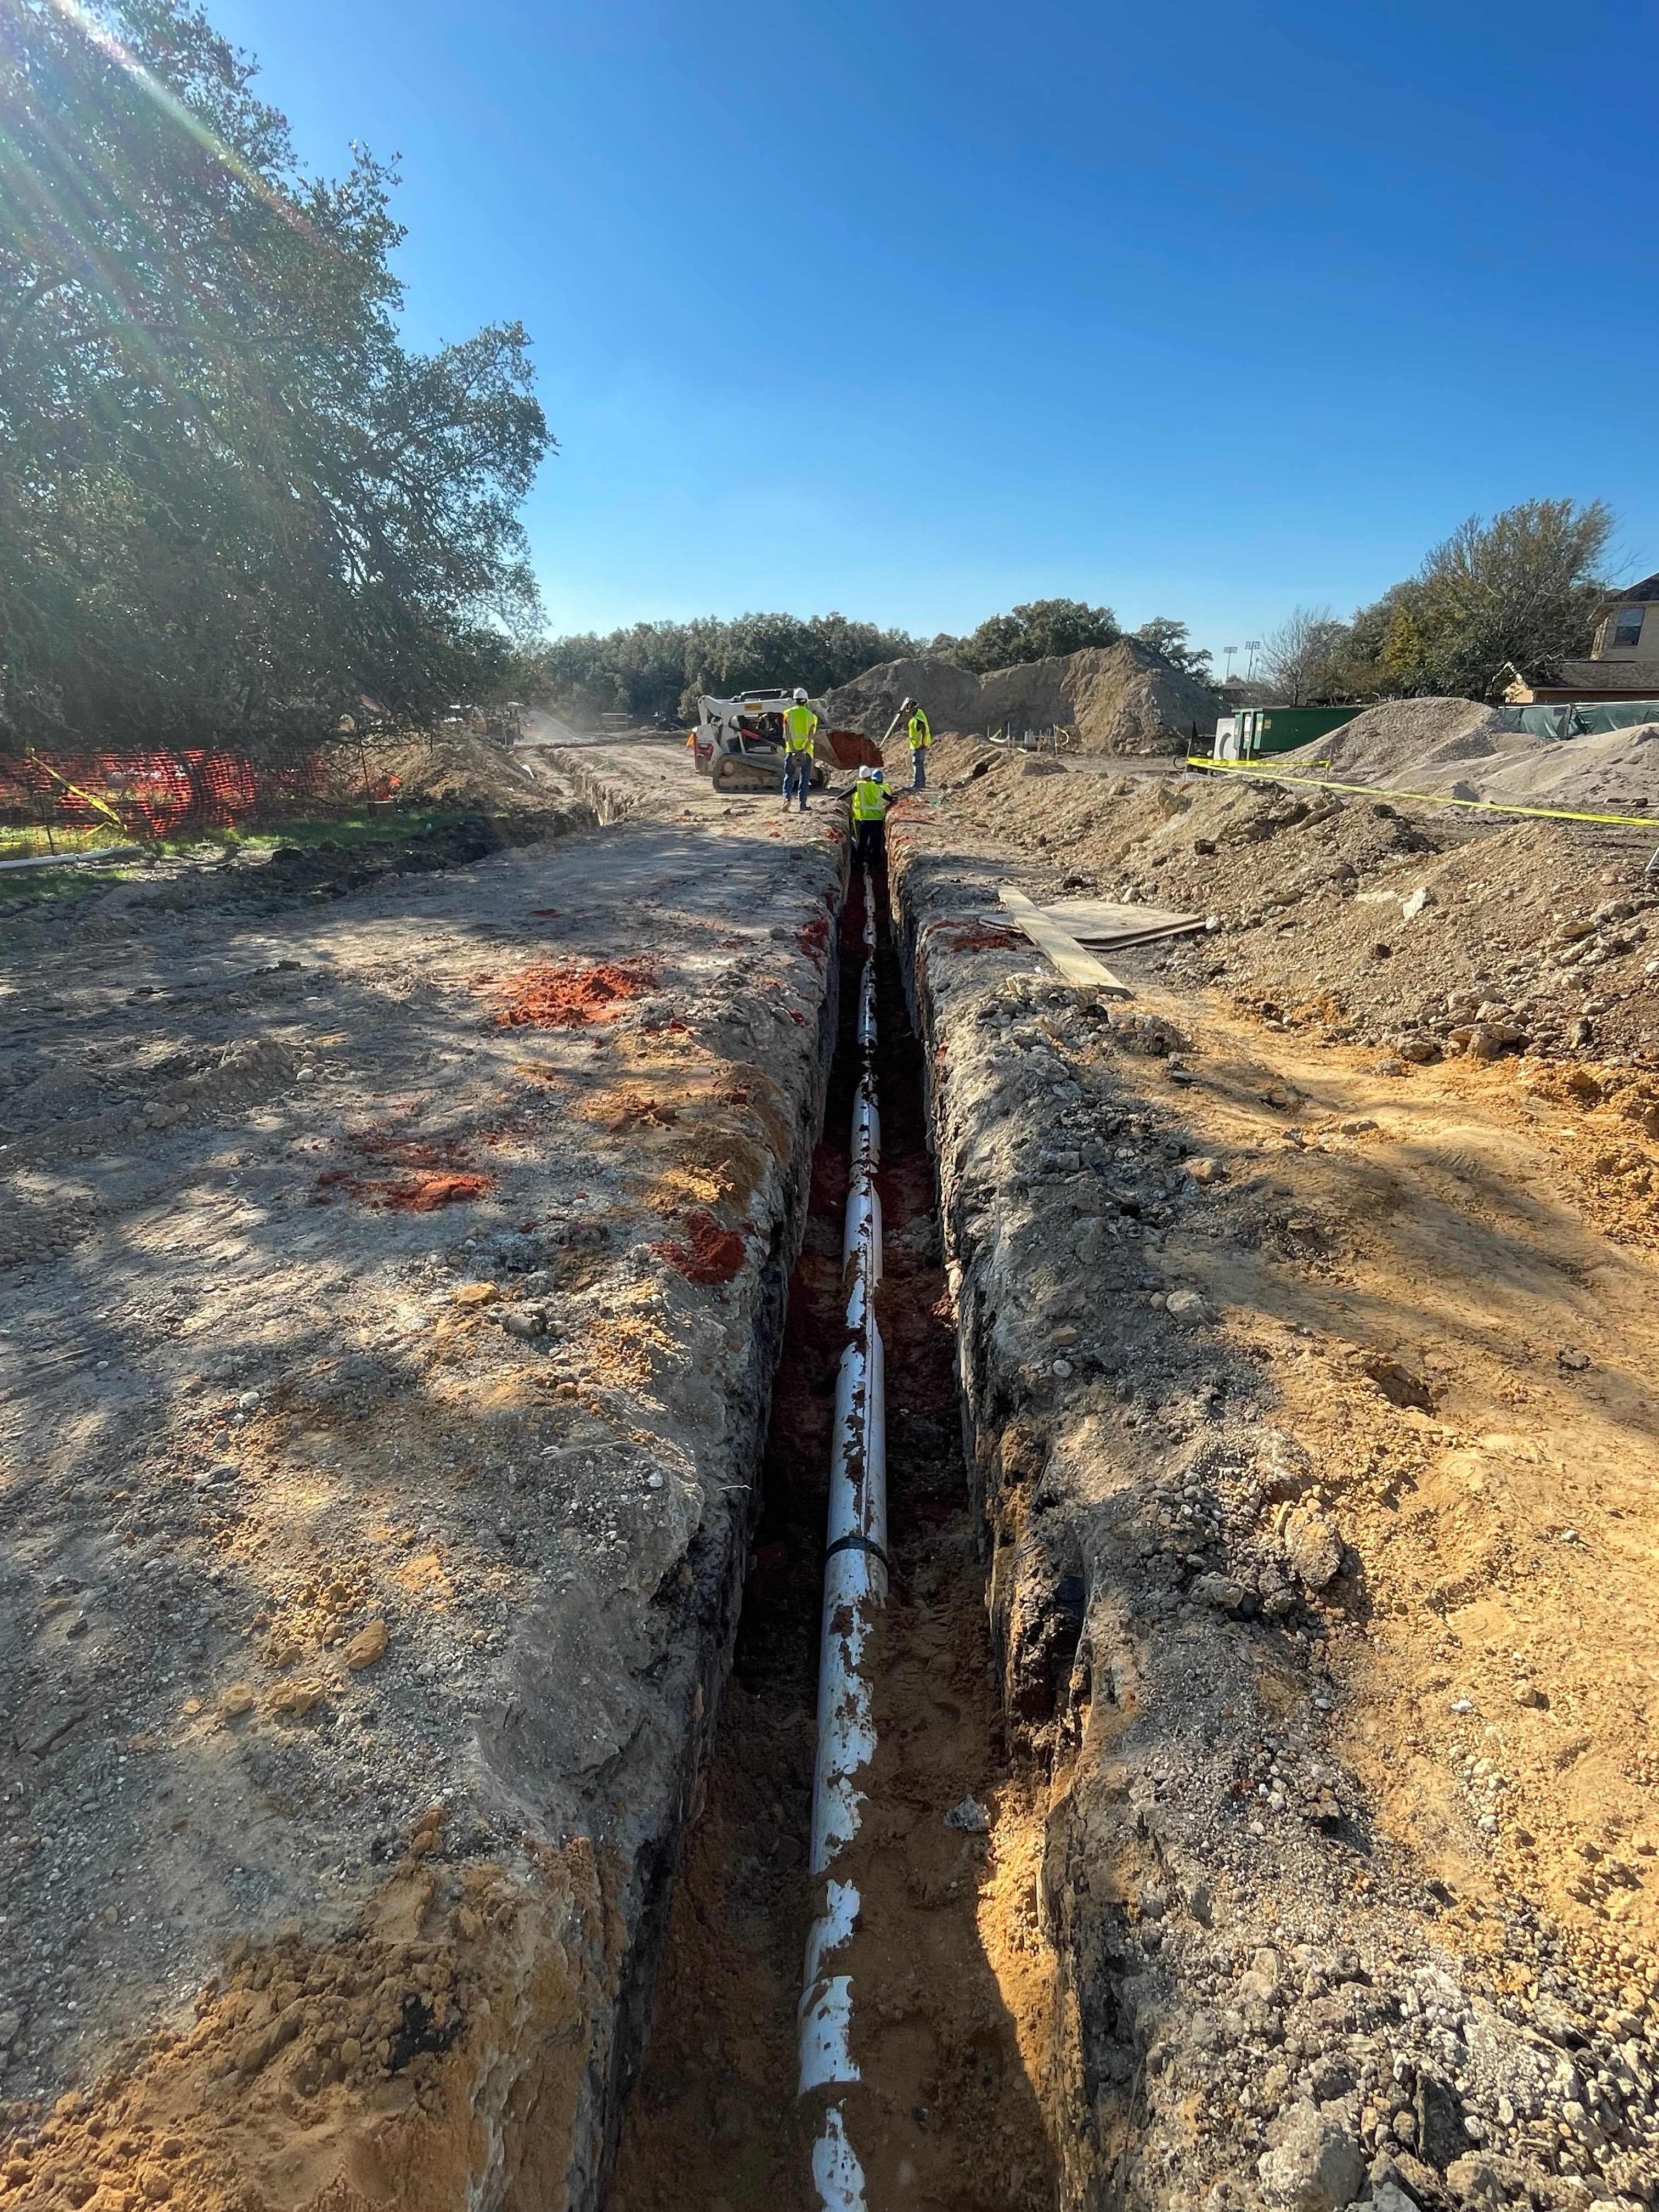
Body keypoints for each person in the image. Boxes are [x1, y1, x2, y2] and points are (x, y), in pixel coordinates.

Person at [781, 686, 818, 812]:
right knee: (805, 778)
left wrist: (792, 750)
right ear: (806, 701)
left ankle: (787, 799)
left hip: (791, 751)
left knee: (789, 776)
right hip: (806, 752)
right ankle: (802, 805)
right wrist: (803, 751)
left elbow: (786, 734)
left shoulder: (787, 714)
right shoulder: (812, 717)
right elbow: (811, 736)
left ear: (795, 700)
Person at [851, 765, 894, 867]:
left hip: (864, 819)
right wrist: (895, 800)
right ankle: (877, 862)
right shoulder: (878, 788)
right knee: (876, 842)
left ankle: (859, 862)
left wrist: (838, 798)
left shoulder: (860, 786)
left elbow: (849, 792)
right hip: (877, 819)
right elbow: (888, 798)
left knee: (862, 842)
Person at [906, 703, 932, 790]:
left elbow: (923, 729)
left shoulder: (918, 718)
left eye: (910, 710)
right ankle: (921, 782)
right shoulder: (918, 714)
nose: (909, 712)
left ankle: (918, 783)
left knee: (918, 763)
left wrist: (922, 741)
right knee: (919, 763)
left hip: (919, 744)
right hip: (917, 744)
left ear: (915, 708)